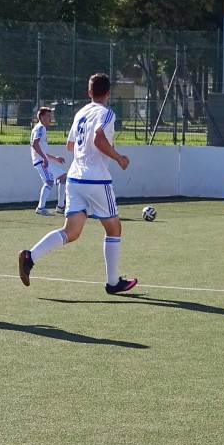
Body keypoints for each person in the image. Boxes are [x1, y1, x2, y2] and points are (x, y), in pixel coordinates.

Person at [18, 73, 137, 294]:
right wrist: (119, 158)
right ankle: (113, 282)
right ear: (108, 93)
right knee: (114, 228)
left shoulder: (81, 112)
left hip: (75, 178)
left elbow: (70, 145)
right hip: (96, 179)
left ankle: (30, 256)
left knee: (71, 232)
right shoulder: (107, 113)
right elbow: (98, 139)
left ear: (89, 92)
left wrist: (88, 150)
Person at [30, 106, 68, 216]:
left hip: (42, 160)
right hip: (40, 162)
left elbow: (39, 148)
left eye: (50, 116)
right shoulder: (40, 128)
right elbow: (35, 144)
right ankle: (40, 208)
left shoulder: (40, 128)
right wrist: (43, 158)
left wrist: (54, 158)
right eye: (48, 116)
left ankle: (60, 207)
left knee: (63, 177)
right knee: (49, 181)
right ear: (41, 117)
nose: (50, 119)